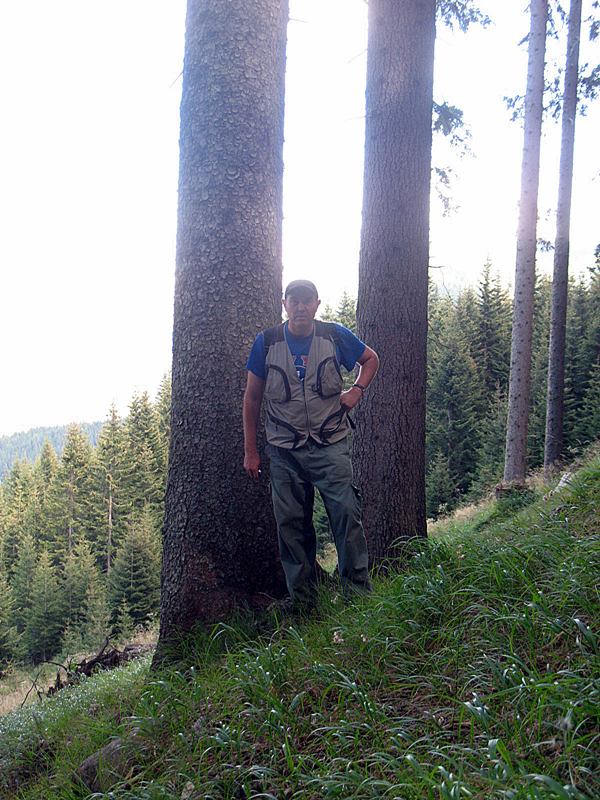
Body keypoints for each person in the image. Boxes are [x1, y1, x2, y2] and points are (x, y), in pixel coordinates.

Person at [243, 279, 379, 607]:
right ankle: (305, 604)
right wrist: (251, 451)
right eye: (295, 301)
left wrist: (356, 391)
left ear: (317, 304)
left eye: (307, 301)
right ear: (285, 304)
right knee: (291, 526)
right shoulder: (267, 342)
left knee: (346, 514)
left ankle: (357, 596)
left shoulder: (334, 336)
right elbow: (252, 398)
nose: (301, 307)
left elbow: (371, 359)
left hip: (329, 442)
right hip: (283, 450)